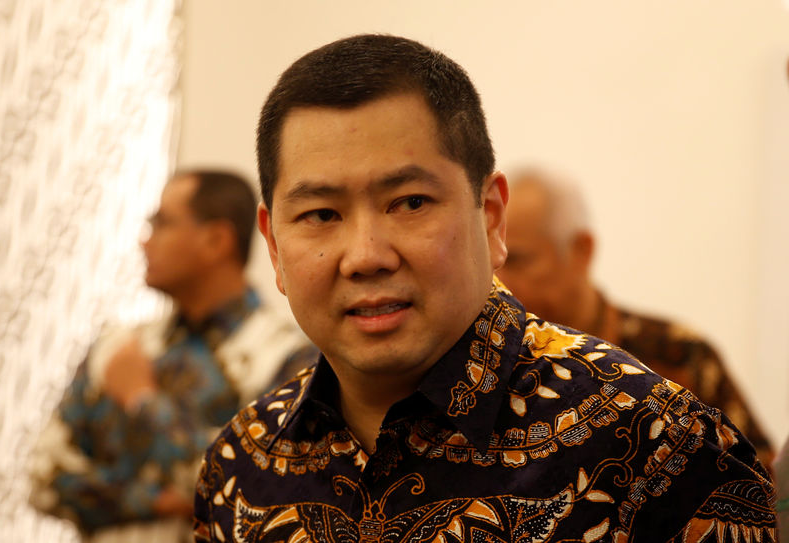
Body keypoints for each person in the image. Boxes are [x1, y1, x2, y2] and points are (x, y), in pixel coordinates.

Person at [194, 35, 776, 542]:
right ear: (273, 245)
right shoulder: (241, 464)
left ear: (491, 216)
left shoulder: (655, 442)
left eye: (411, 203)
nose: (366, 256)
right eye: (321, 214)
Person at [29, 170, 315, 542]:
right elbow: (45, 478)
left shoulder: (286, 357)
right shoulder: (117, 347)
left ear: (216, 240)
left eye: (161, 223)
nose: (144, 243)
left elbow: (254, 489)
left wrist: (143, 400)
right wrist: (158, 501)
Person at [495, 168, 773, 463]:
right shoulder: (492, 364)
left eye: (516, 260)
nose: (499, 282)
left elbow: (763, 488)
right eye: (493, 262)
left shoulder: (679, 357)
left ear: (581, 251)